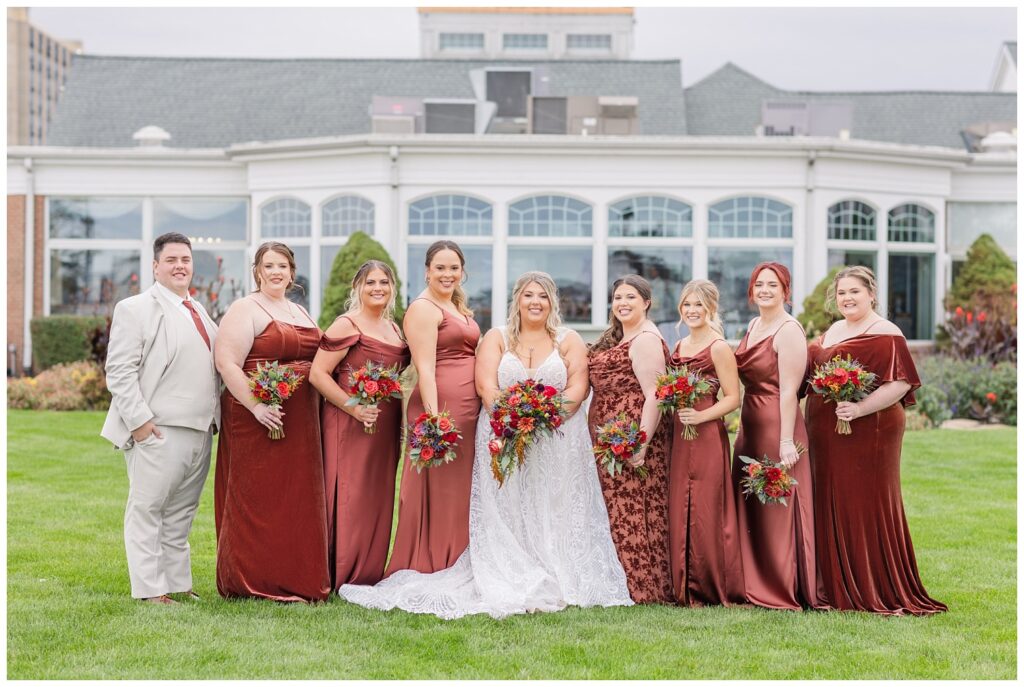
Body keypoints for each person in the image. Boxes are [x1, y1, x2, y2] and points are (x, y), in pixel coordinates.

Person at [339, 272, 632, 618]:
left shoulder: (569, 340)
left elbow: (577, 389)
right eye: (528, 295)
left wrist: (543, 419)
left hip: (557, 440)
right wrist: (512, 420)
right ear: (517, 301)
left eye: (542, 296)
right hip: (504, 435)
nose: (535, 302)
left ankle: (559, 565)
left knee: (553, 504)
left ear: (553, 302)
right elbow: (487, 388)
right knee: (509, 506)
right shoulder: (497, 337)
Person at [806, 266, 947, 615]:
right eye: (841, 293)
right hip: (828, 432)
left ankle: (874, 584)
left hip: (871, 430)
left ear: (872, 294)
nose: (847, 298)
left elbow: (900, 383)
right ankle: (833, 582)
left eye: (855, 291)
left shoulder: (887, 332)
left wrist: (861, 408)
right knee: (831, 499)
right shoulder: (835, 329)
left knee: (865, 501)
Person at [101, 232, 219, 605]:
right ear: (155, 266)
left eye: (185, 259)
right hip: (159, 429)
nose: (180, 266)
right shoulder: (135, 308)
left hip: (201, 430)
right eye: (171, 260)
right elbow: (119, 370)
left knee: (182, 512)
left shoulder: (199, 310)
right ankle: (151, 590)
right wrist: (140, 423)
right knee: (148, 509)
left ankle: (178, 583)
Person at [213, 241, 330, 602]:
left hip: (301, 422)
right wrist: (257, 407)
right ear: (257, 272)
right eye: (268, 266)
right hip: (256, 418)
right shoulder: (244, 308)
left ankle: (296, 576)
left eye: (282, 266)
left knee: (294, 498)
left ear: (292, 272)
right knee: (259, 497)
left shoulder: (300, 311)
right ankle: (251, 579)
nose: (276, 272)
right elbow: (227, 363)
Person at [310, 260, 410, 587]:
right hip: (347, 422)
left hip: (384, 424)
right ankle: (338, 571)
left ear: (392, 287)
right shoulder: (346, 324)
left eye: (384, 282)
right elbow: (318, 374)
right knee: (349, 493)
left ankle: (367, 571)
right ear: (357, 288)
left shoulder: (395, 329)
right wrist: (353, 408)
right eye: (370, 283)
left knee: (376, 494)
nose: (377, 288)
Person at [384, 240, 481, 576]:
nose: (447, 274)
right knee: (439, 488)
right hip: (441, 409)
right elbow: (424, 368)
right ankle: (434, 559)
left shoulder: (456, 305)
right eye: (440, 267)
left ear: (462, 272)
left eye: (454, 267)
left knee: (461, 489)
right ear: (427, 271)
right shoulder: (424, 309)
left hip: (469, 411)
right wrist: (434, 419)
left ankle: (460, 556)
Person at [731, 262, 821, 610]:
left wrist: (785, 440)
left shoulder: (788, 330)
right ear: (751, 291)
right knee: (754, 502)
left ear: (786, 291)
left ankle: (783, 584)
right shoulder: (755, 324)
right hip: (751, 421)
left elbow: (788, 392)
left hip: (778, 423)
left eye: (773, 284)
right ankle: (753, 579)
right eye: (759, 284)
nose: (765, 290)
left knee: (777, 503)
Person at [587, 275, 674, 604]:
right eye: (618, 297)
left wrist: (642, 442)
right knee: (615, 510)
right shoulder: (622, 336)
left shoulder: (647, 340)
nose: (622, 303)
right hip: (609, 440)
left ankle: (642, 585)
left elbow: (654, 395)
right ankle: (618, 580)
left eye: (631, 298)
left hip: (633, 438)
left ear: (646, 302)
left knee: (633, 509)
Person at [668, 279, 745, 606]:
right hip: (679, 432)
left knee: (705, 506)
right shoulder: (678, 345)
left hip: (706, 433)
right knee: (679, 502)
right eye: (687, 304)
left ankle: (710, 585)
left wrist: (701, 417)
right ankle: (681, 585)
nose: (692, 310)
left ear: (711, 308)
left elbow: (734, 397)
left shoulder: (718, 347)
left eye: (698, 304)